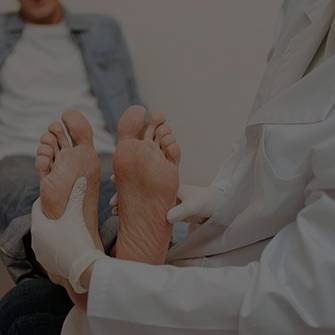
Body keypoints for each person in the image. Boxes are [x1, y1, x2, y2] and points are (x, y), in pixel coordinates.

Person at [27, 0, 335, 334]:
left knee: (27, 309)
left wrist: (87, 270)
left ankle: (95, 253)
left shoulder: (98, 30)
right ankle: (115, 250)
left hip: (272, 306)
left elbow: (299, 303)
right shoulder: (311, 8)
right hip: (263, 252)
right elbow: (271, 139)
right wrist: (220, 198)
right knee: (27, 302)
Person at [0, 0, 139, 333]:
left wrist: (136, 141)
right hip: (19, 149)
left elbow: (129, 97)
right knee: (29, 189)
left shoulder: (102, 29)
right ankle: (114, 247)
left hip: (97, 145)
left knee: (111, 183)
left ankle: (68, 254)